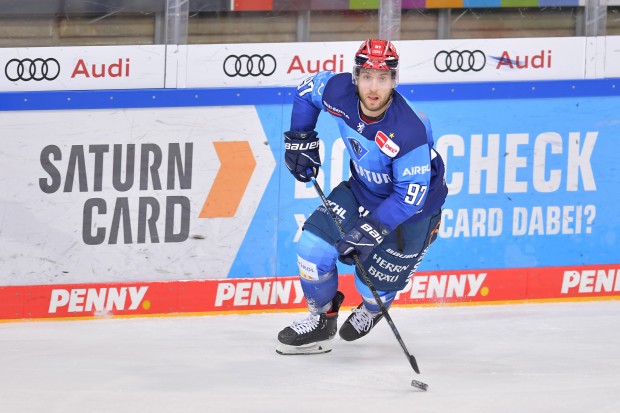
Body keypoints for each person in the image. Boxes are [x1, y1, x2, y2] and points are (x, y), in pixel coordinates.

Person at [276, 39, 448, 355]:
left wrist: (369, 231)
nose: (373, 87)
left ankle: (372, 308)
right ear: (355, 76)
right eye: (367, 76)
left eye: (383, 78)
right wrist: (301, 139)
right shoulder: (338, 91)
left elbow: (410, 198)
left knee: (372, 286)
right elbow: (305, 92)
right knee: (311, 249)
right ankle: (321, 319)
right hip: (361, 191)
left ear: (395, 81)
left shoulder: (410, 129)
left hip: (413, 212)